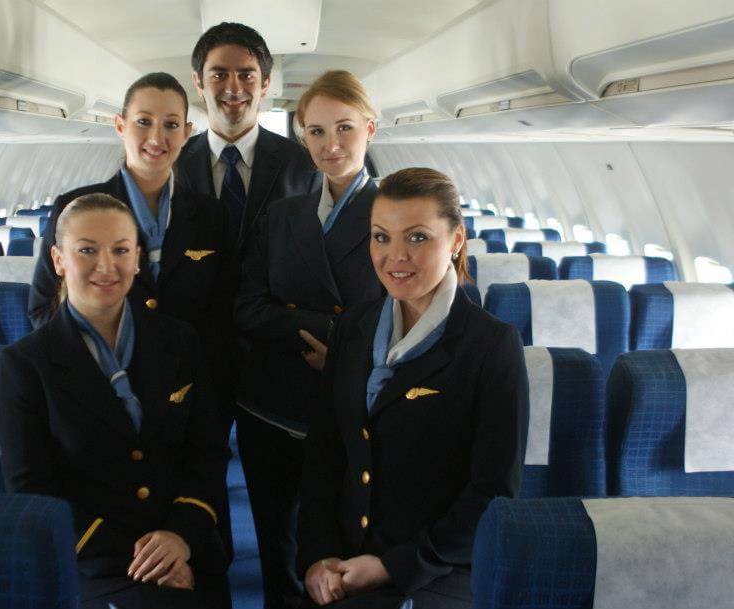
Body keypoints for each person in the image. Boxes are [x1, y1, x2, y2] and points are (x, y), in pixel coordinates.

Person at [297, 168, 529, 609]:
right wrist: (318, 556)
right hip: (343, 565)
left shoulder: (490, 345)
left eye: (418, 237)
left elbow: (492, 491)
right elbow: (325, 453)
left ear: (456, 240)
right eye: (381, 237)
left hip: (436, 570)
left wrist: (394, 565)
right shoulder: (353, 328)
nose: (395, 256)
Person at [0, 193, 231, 609]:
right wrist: (138, 558)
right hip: (93, 560)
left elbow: (207, 453)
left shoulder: (178, 341)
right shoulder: (27, 364)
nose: (106, 266)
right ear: (58, 260)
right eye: (86, 250)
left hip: (185, 541)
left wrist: (180, 535)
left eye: (121, 250)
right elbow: (31, 487)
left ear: (138, 259)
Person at [233, 70, 385, 609]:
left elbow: (409, 315)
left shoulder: (395, 216)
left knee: (344, 554)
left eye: (344, 128)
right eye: (316, 132)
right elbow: (247, 308)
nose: (331, 145)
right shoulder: (282, 215)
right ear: (301, 136)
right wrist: (336, 331)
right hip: (269, 408)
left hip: (357, 407)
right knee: (277, 548)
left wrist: (340, 352)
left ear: (369, 128)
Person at [178, 21, 319, 251]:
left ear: (265, 84)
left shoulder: (303, 165)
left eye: (246, 75)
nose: (233, 89)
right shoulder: (172, 163)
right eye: (219, 75)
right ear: (198, 83)